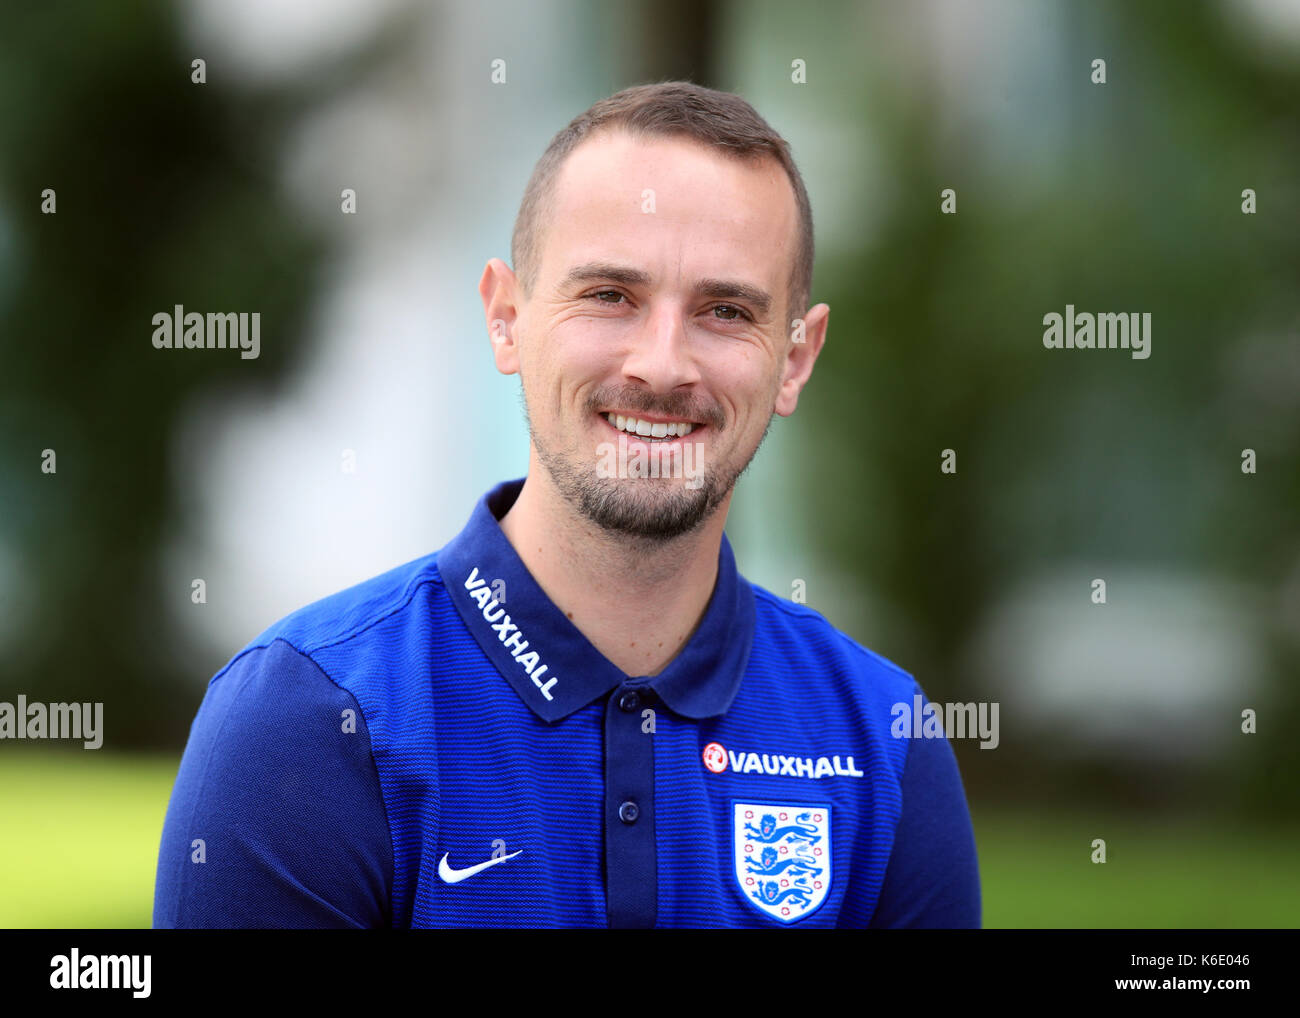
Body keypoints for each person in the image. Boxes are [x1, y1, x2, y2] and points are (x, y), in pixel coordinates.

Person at [153, 80, 980, 928]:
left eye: (725, 311)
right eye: (610, 296)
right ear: (507, 319)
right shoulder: (307, 722)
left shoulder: (884, 743)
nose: (662, 367)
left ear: (796, 360)